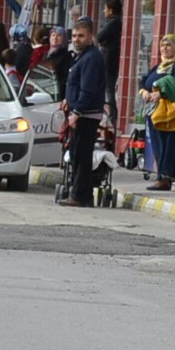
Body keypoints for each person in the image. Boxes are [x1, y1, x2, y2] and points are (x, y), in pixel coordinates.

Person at [58, 19, 106, 208]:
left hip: (86, 115)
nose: (77, 39)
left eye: (81, 36)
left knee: (81, 156)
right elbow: (75, 84)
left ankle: (79, 195)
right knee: (77, 155)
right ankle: (83, 195)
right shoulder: (81, 57)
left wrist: (76, 112)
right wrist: (67, 100)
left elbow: (88, 89)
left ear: (90, 37)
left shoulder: (91, 58)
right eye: (74, 36)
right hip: (80, 112)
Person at [138, 34, 175, 191]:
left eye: (169, 45)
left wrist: (161, 93)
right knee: (159, 145)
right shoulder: (159, 66)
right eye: (162, 45)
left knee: (171, 145)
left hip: (174, 113)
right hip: (156, 112)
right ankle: (161, 177)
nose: (164, 48)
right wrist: (144, 92)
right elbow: (144, 81)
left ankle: (166, 177)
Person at [98, 0, 124, 119]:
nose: (104, 11)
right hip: (111, 59)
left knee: (109, 88)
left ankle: (112, 116)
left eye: (105, 8)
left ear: (111, 10)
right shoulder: (117, 22)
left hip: (110, 60)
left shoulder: (114, 22)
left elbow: (100, 37)